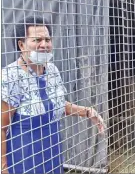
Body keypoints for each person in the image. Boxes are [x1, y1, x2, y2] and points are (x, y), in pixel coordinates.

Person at [1, 16, 106, 174]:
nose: (44, 45)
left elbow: (57, 104)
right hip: (24, 158)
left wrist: (87, 112)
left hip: (53, 155)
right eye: (37, 40)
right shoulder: (10, 76)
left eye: (47, 39)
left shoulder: (52, 70)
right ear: (21, 45)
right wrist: (3, 168)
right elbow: (2, 127)